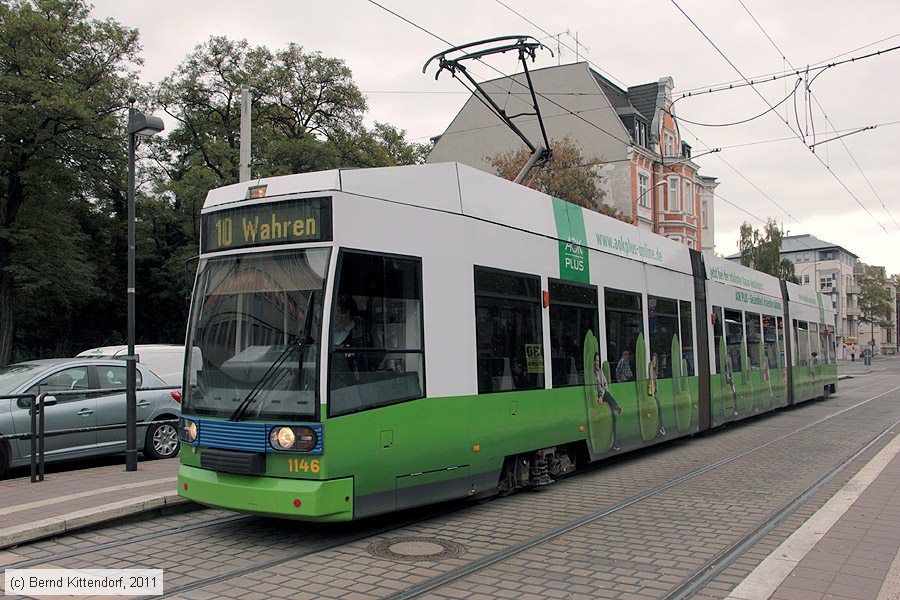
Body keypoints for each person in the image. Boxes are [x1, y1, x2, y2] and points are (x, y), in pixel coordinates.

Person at [594, 352, 623, 451]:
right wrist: (601, 395)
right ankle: (616, 406)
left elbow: (605, 384)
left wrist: (604, 393)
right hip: (601, 396)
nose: (597, 363)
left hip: (605, 395)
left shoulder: (600, 371)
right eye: (596, 360)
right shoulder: (593, 374)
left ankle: (615, 442)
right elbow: (596, 387)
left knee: (614, 415)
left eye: (599, 361)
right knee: (607, 394)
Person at [649, 353, 665, 436]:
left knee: (659, 405)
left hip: (654, 392)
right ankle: (661, 426)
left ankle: (660, 426)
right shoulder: (651, 370)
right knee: (658, 404)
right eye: (653, 360)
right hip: (652, 393)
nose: (654, 362)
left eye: (655, 360)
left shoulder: (655, 371)